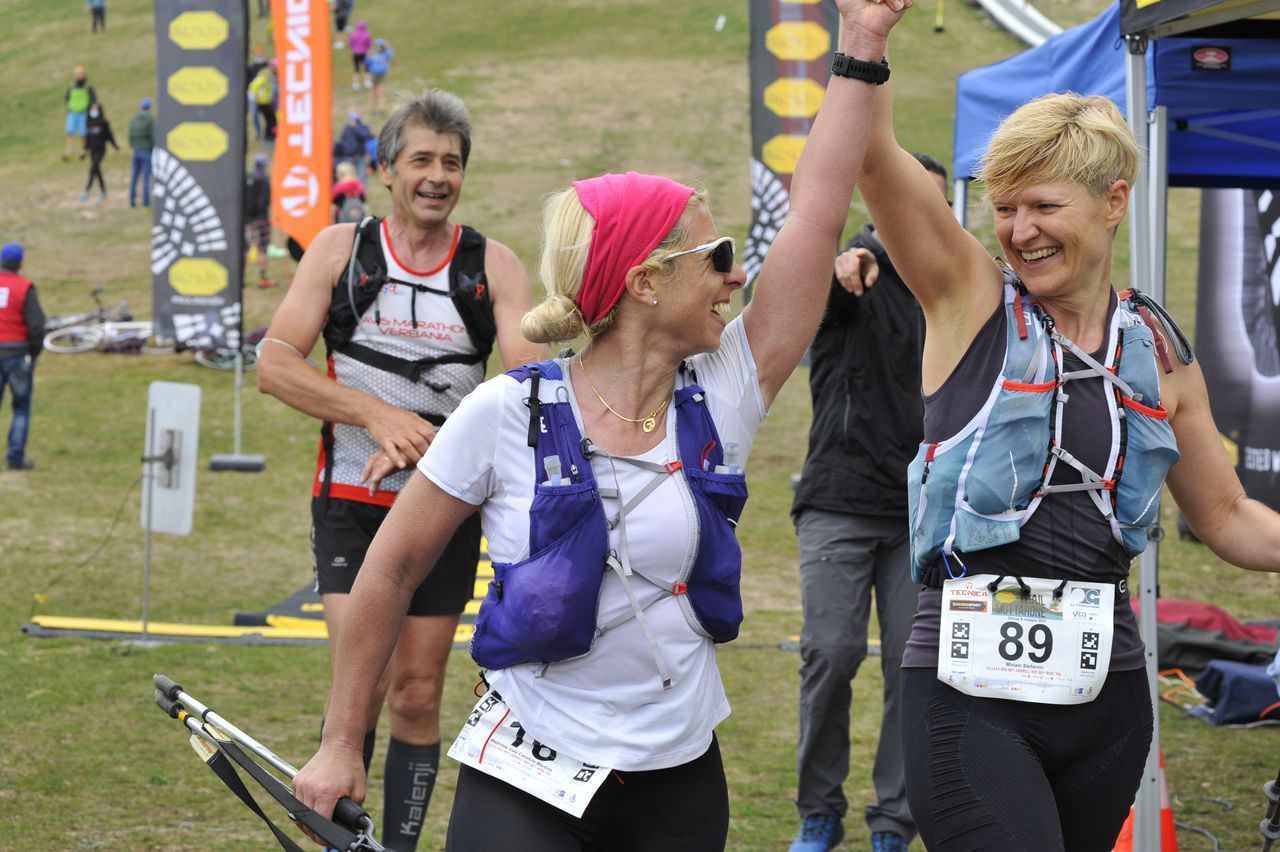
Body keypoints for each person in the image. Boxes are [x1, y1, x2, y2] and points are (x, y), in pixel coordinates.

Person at [291, 0, 911, 848]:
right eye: (716, 257)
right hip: (525, 776)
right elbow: (390, 571)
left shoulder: (725, 388)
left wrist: (862, 42)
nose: (736, 278)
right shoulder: (505, 412)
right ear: (645, 282)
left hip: (679, 781)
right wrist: (338, 743)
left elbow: (815, 213)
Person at [855, 37, 1280, 845]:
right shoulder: (971, 302)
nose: (1020, 231)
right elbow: (874, 162)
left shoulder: (1158, 350)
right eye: (1005, 209)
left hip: (1106, 698)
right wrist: (864, 42)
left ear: (1114, 202)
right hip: (967, 692)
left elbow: (1226, 516)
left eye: (1044, 207)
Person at [258, 89, 544, 852]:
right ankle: (339, 838)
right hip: (351, 501)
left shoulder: (492, 265)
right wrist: (376, 416)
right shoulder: (339, 251)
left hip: (444, 510)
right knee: (364, 685)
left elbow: (531, 388)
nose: (437, 176)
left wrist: (432, 445)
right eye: (421, 159)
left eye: (451, 162)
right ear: (386, 169)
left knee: (418, 694)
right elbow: (275, 366)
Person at [788, 152, 948, 852]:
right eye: (910, 197)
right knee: (831, 653)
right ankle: (818, 811)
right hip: (839, 502)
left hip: (923, 513)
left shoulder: (953, 287)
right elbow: (815, 288)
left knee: (911, 671)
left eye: (937, 202)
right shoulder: (858, 271)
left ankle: (894, 821)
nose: (923, 213)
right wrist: (840, 266)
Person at [0, 244, 44, 472]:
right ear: (20, 263)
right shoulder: (24, 287)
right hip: (17, 352)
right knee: (20, 408)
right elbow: (36, 325)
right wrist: (34, 350)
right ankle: (15, 458)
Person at [244, 154, 274, 288]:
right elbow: (265, 201)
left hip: (247, 220)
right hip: (262, 219)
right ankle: (262, 278)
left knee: (244, 249)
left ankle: (240, 279)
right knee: (262, 249)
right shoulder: (265, 180)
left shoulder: (248, 178)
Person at [81, 102, 118, 204]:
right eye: (92, 108)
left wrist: (115, 147)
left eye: (95, 109)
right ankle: (103, 192)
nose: (94, 111)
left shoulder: (103, 122)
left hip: (101, 150)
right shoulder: (88, 122)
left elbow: (109, 136)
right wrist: (84, 151)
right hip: (92, 150)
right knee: (96, 170)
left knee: (94, 167)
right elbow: (87, 139)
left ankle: (87, 190)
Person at [64, 66, 97, 161]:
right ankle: (69, 152)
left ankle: (84, 151)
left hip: (84, 113)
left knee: (83, 133)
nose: (78, 75)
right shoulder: (71, 86)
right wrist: (69, 107)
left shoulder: (88, 86)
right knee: (69, 132)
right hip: (72, 113)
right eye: (77, 74)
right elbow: (67, 98)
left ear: (83, 74)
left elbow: (93, 100)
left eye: (80, 73)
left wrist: (92, 111)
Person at [128, 98, 155, 208]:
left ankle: (132, 201)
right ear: (149, 107)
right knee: (146, 178)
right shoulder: (150, 118)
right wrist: (153, 148)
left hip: (136, 151)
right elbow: (153, 136)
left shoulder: (134, 118)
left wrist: (133, 146)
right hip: (146, 151)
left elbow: (130, 135)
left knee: (134, 177)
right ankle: (146, 202)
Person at [334, 110, 374, 175]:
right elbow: (343, 140)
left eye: (354, 119)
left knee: (361, 174)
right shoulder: (346, 128)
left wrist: (355, 127)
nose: (352, 121)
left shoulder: (362, 127)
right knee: (349, 174)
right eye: (351, 119)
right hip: (348, 156)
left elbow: (366, 136)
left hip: (359, 156)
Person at [249, 60, 278, 142]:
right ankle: (269, 136)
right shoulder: (264, 76)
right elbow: (253, 87)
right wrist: (255, 99)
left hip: (266, 102)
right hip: (262, 102)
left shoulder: (268, 76)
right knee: (271, 120)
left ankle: (269, 136)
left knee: (271, 120)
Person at [364, 39, 393, 114]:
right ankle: (373, 109)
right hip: (374, 74)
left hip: (382, 74)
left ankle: (382, 109)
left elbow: (390, 53)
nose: (379, 47)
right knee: (373, 93)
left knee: (381, 92)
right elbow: (367, 63)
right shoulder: (372, 54)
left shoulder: (385, 54)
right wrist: (369, 55)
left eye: (381, 46)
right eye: (378, 46)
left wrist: (387, 45)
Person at [247, 46, 269, 141]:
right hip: (253, 95)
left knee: (268, 115)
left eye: (260, 52)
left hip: (266, 95)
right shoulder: (251, 67)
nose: (259, 54)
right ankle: (258, 133)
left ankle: (269, 133)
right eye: (258, 52)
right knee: (254, 115)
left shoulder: (267, 66)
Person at [348, 21, 372, 91]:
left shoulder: (353, 34)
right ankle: (367, 82)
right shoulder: (367, 35)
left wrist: (353, 49)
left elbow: (350, 43)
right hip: (364, 53)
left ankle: (356, 84)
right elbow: (368, 44)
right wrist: (368, 51)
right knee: (367, 68)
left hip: (355, 53)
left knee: (356, 69)